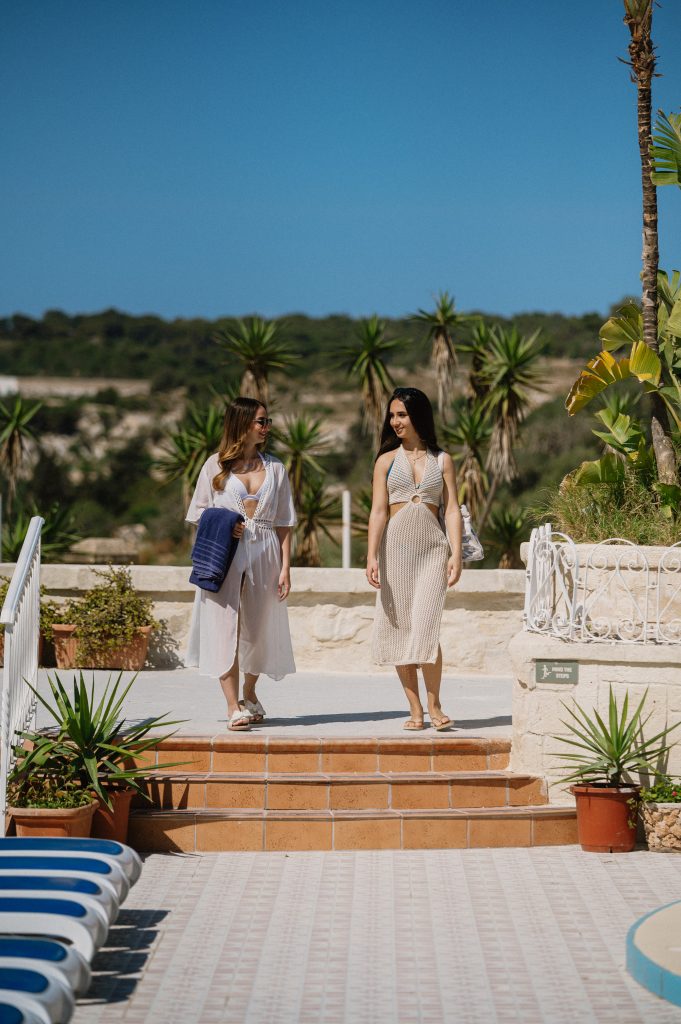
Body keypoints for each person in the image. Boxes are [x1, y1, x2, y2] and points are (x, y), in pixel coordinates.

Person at [185, 396, 296, 730]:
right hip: (225, 555)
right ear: (242, 424)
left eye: (267, 421)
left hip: (266, 553)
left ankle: (249, 692)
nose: (266, 427)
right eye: (261, 421)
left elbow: (285, 520)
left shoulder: (275, 467)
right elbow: (199, 513)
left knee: (259, 629)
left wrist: (287, 566)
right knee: (224, 628)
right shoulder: (214, 466)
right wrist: (224, 521)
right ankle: (233, 706)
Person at [366, 387, 463, 730]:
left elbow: (452, 510)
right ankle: (415, 708)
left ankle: (435, 704)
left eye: (402, 415)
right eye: (392, 415)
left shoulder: (442, 460)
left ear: (418, 416)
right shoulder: (387, 461)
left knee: (426, 627)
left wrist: (456, 554)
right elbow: (378, 512)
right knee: (399, 629)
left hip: (433, 552)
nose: (395, 421)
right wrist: (371, 556)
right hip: (395, 552)